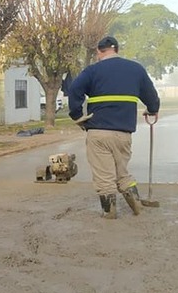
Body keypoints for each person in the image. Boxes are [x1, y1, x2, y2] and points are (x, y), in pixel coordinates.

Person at [68, 36, 160, 219]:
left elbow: (74, 90)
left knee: (104, 176)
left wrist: (77, 116)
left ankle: (109, 213)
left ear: (99, 52)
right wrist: (152, 110)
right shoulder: (136, 69)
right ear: (116, 49)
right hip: (123, 133)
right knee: (122, 173)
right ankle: (137, 207)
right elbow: (151, 96)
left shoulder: (92, 71)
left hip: (98, 132)